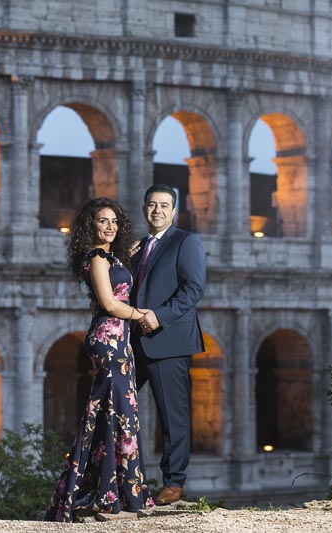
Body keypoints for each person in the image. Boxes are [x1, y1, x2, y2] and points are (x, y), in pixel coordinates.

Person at [45, 197, 154, 522]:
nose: (110, 226)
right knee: (113, 411)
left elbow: (128, 261)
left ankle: (115, 491)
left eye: (114, 221)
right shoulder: (96, 258)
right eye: (102, 221)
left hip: (119, 340)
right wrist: (141, 315)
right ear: (90, 225)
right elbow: (109, 302)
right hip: (108, 338)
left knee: (118, 411)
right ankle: (109, 494)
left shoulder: (109, 256)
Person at [130, 184, 206, 505]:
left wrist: (159, 317)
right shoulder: (138, 247)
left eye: (164, 205)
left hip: (168, 340)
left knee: (172, 418)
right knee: (119, 408)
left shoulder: (187, 242)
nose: (157, 210)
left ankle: (174, 482)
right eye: (152, 204)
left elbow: (193, 288)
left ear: (174, 211)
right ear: (145, 209)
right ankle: (127, 478)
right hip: (134, 342)